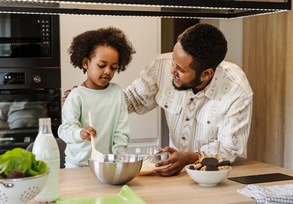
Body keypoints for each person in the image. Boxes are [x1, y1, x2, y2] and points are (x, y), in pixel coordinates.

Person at [62, 23, 253, 175]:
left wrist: (190, 157)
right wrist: (88, 97)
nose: (172, 72)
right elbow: (130, 100)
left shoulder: (237, 91)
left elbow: (230, 148)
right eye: (173, 62)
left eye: (180, 69)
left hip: (215, 175)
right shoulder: (161, 67)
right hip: (176, 173)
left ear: (206, 74)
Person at [58, 27, 136, 168]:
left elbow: (121, 132)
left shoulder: (117, 93)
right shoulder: (76, 95)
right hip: (77, 167)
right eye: (101, 65)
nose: (107, 71)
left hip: (107, 165)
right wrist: (80, 133)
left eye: (113, 67)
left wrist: (119, 158)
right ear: (86, 63)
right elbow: (64, 129)